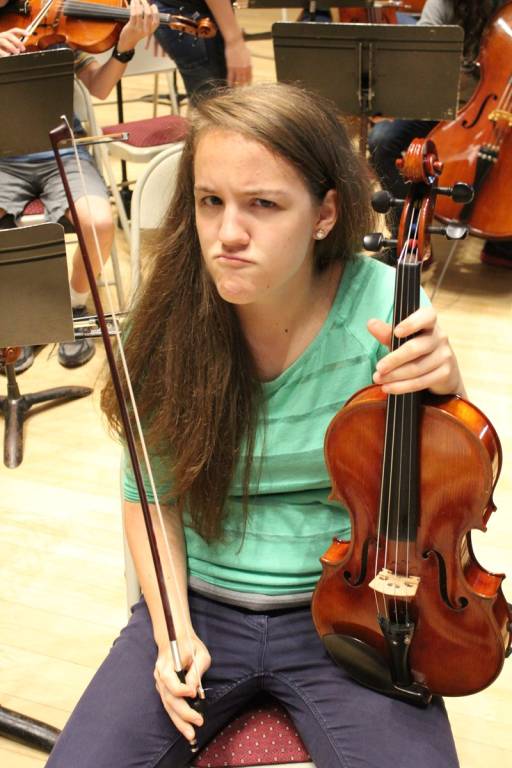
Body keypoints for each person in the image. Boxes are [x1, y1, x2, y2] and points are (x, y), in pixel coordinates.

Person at [46, 83, 465, 768]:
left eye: (263, 205)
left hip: (353, 613)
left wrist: (448, 388)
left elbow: (445, 483)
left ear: (325, 214)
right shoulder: (169, 315)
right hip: (202, 605)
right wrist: (172, 631)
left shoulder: (384, 306)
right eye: (210, 202)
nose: (228, 234)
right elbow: (150, 493)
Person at [0, 0, 159, 373]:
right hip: (3, 160)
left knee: (98, 222)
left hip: (63, 153)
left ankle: (73, 305)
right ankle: (19, 314)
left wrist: (125, 46)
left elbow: (98, 87)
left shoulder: (52, 27)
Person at [368, 0, 512, 267]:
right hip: (444, 105)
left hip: (503, 109)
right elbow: (422, 57)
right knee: (382, 139)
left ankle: (503, 243)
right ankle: (410, 238)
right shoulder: (444, 3)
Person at [153, 0, 252, 101]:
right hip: (196, 16)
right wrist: (234, 42)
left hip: (180, 12)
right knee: (213, 103)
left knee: (213, 101)